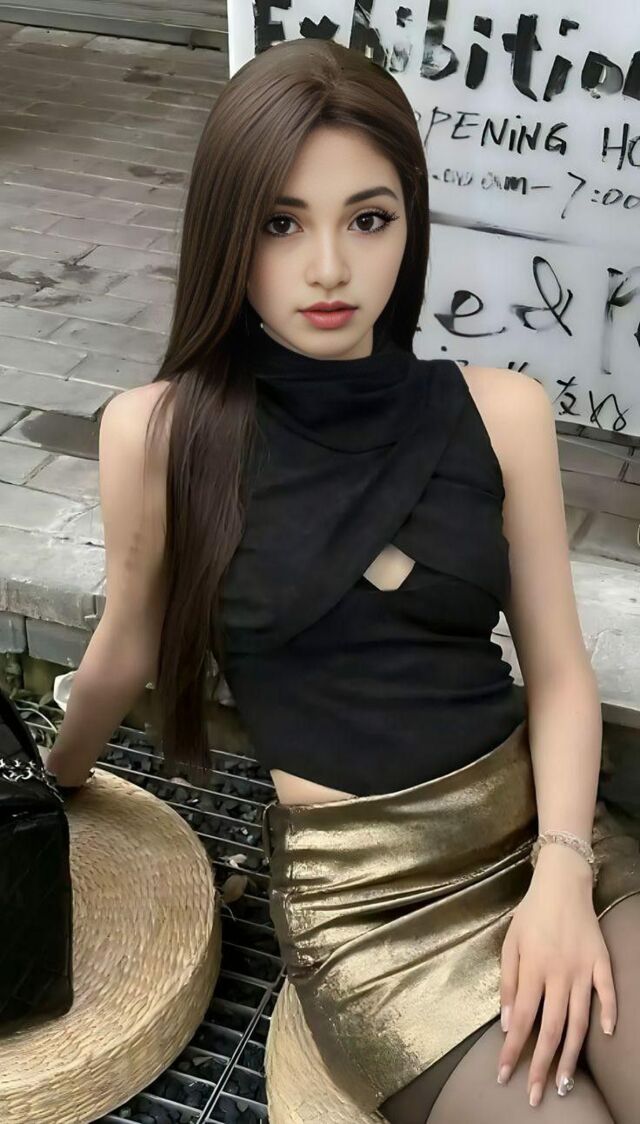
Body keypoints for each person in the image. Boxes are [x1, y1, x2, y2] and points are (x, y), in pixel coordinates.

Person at [45, 37, 640, 1124]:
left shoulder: (500, 412)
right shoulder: (162, 433)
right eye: (281, 224)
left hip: (546, 834)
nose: (328, 268)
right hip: (374, 910)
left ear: (410, 226)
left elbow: (559, 673)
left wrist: (561, 870)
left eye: (368, 219)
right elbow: (125, 646)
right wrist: (56, 777)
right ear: (226, 234)